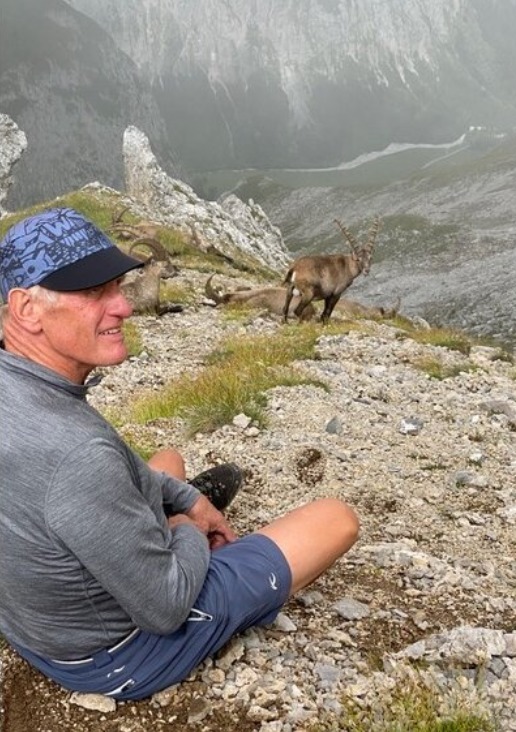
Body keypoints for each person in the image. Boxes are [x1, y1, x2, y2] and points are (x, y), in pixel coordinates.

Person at [0, 207, 359, 700]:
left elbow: (83, 474)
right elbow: (164, 609)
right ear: (26, 310)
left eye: (115, 286)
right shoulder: (78, 453)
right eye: (92, 292)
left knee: (167, 460)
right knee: (335, 519)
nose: (122, 306)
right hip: (111, 654)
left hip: (35, 622)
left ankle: (169, 517)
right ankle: (219, 576)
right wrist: (186, 530)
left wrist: (186, 501)